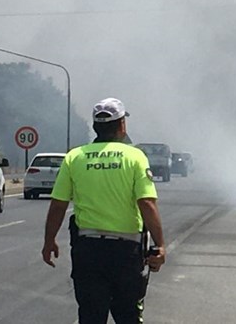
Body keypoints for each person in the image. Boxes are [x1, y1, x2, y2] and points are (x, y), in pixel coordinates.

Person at [42, 97, 167, 324]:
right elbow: (147, 203)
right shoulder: (135, 157)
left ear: (95, 127)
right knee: (128, 315)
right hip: (126, 253)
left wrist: (49, 240)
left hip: (88, 252)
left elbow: (58, 204)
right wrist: (159, 246)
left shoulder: (74, 157)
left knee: (90, 316)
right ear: (122, 126)